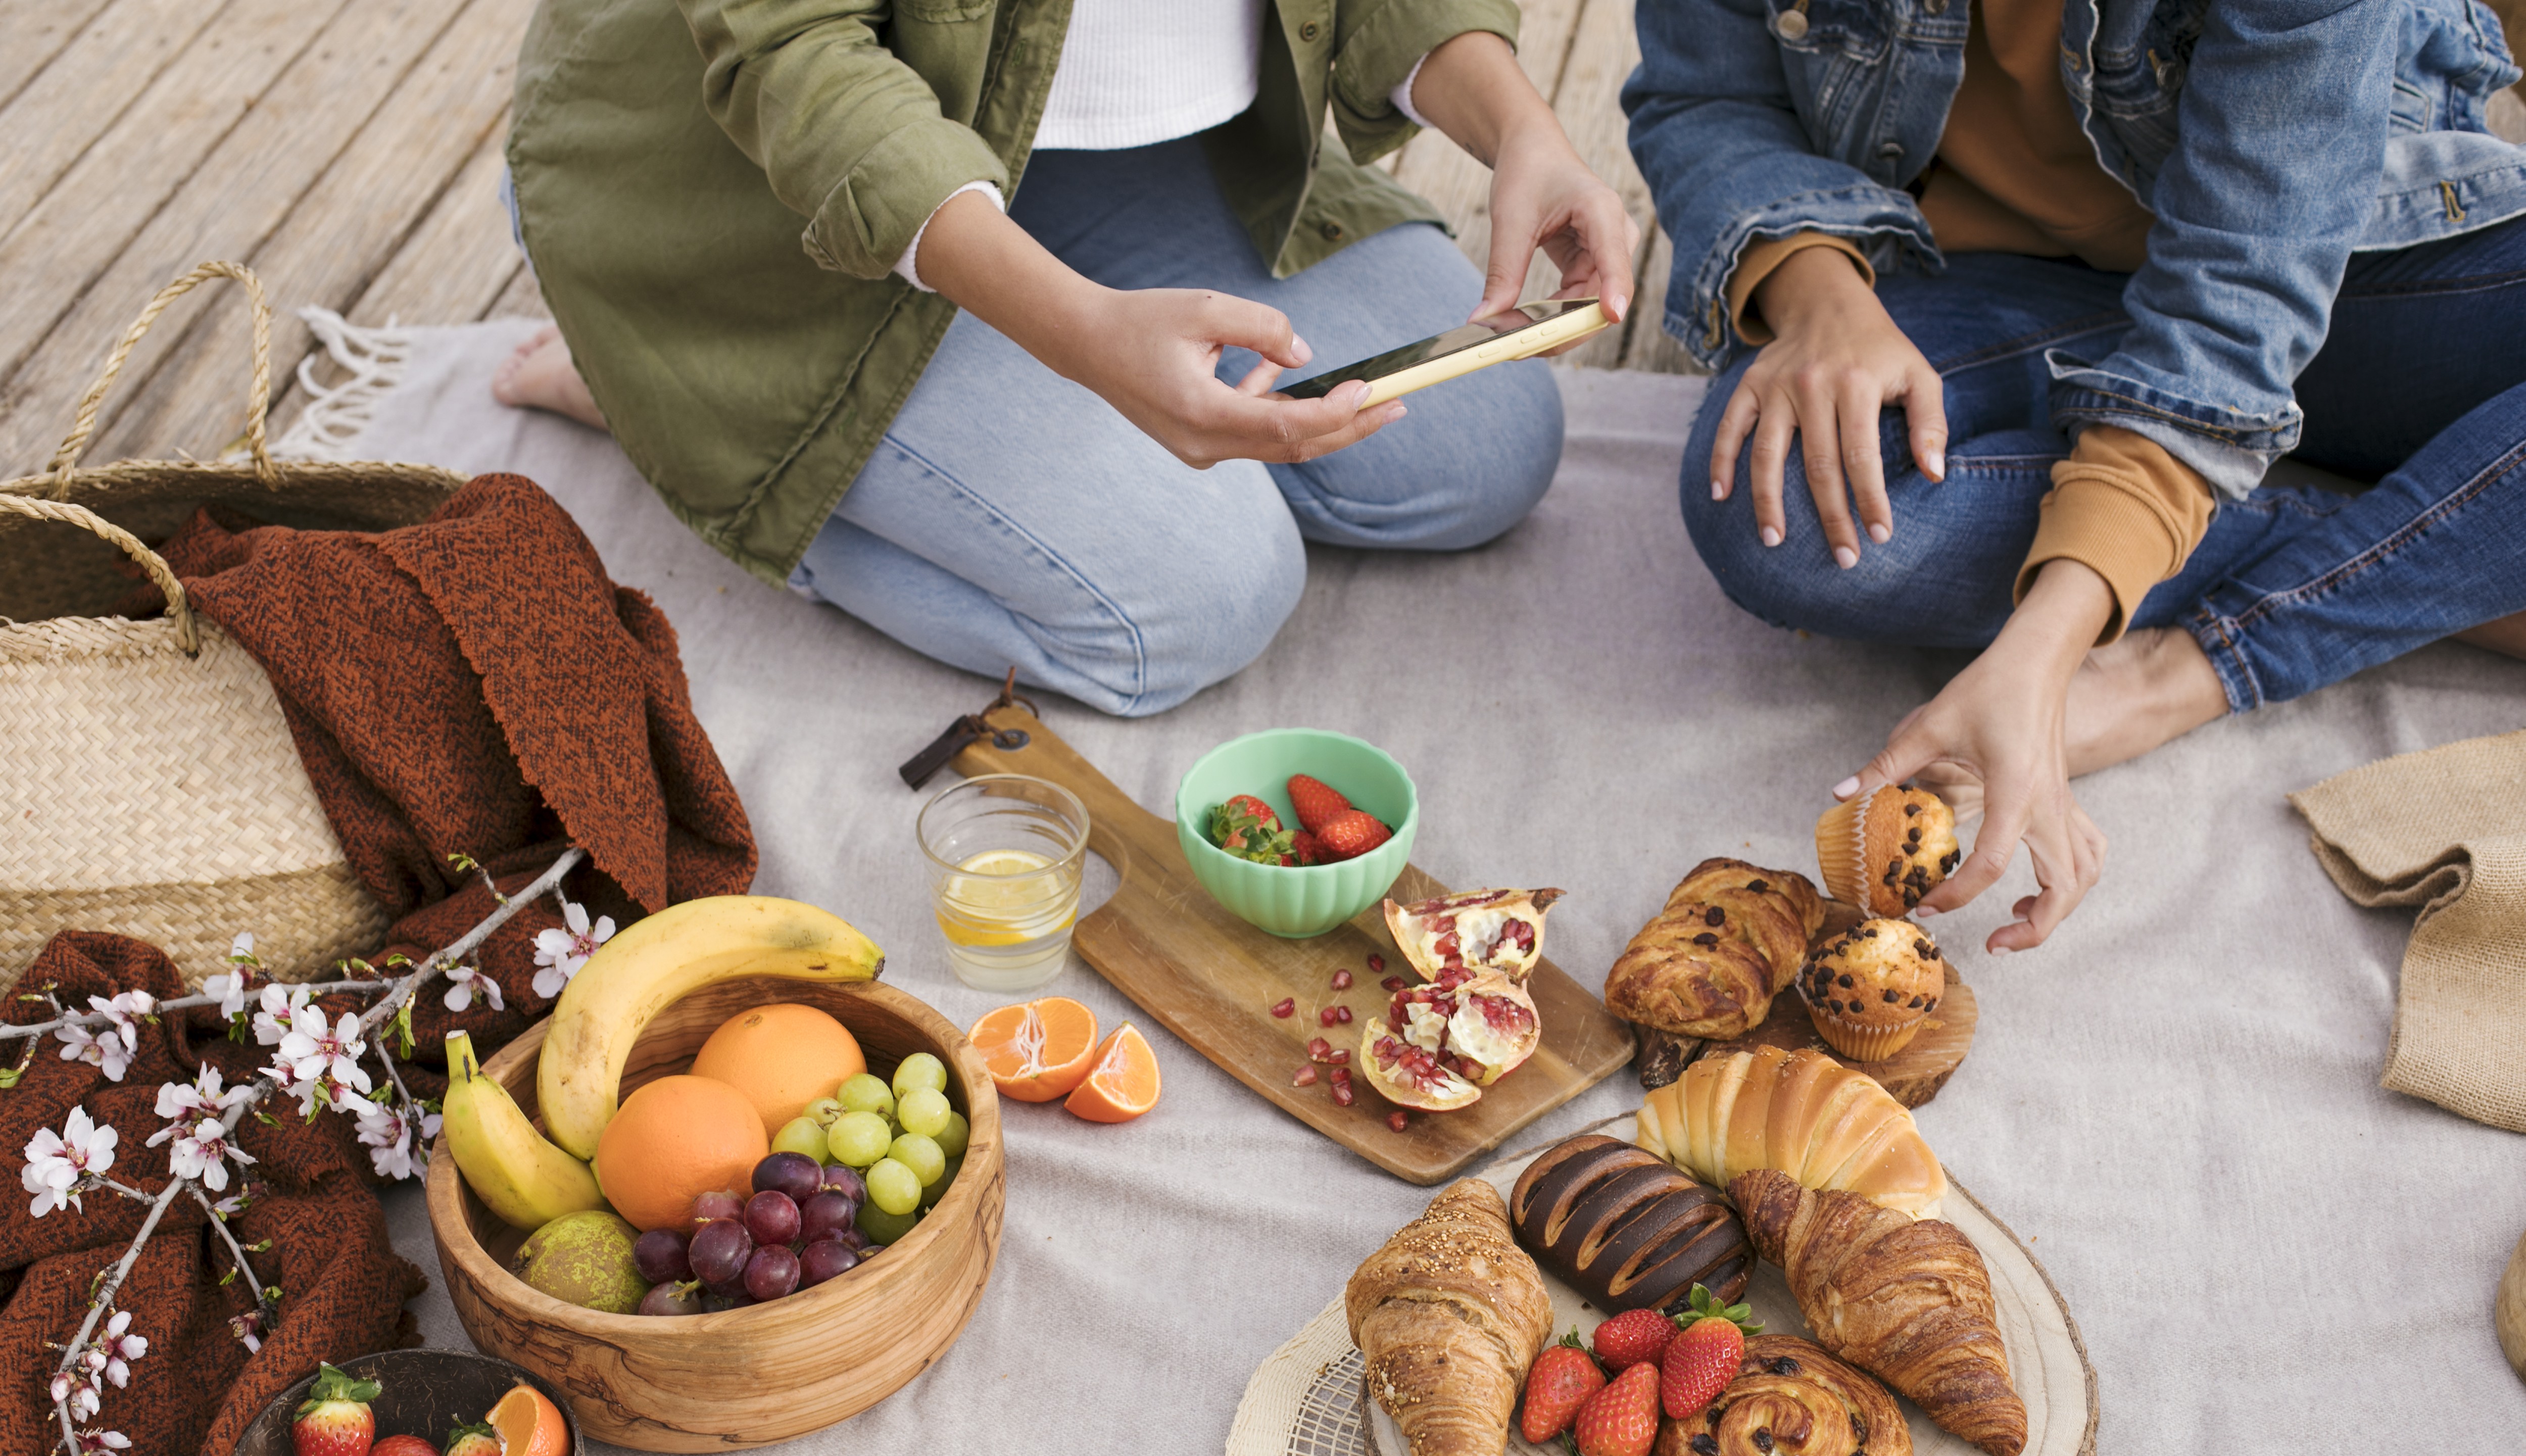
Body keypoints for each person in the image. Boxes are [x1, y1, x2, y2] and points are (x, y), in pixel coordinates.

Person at [1626, 0, 2526, 952]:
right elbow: (1703, 93)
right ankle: (2450, 536)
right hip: (1987, 284)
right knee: (1783, 502)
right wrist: (1815, 293)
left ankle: (2175, 672)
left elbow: (2241, 295)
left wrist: (2051, 645)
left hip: (2346, 265)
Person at [494, 2, 1636, 716]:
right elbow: (793, 54)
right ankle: (666, 390)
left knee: (1489, 441)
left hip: (1109, 144)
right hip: (750, 197)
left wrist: (1520, 127)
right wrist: (1084, 336)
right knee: (1189, 607)